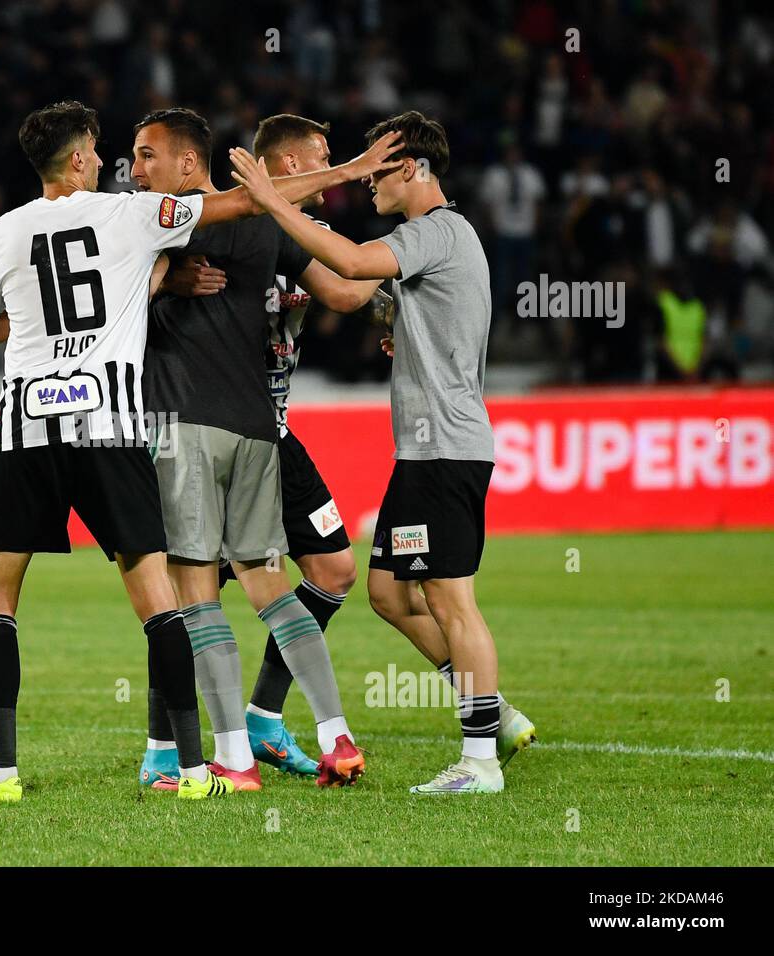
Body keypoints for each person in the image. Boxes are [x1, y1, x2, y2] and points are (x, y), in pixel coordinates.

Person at [0, 100, 383, 803]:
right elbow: (241, 205)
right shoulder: (129, 217)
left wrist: (60, 314)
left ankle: (2, 774)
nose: (127, 165)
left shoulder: (4, 230)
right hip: (117, 427)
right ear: (82, 158)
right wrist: (354, 172)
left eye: (145, 154)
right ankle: (203, 764)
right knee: (164, 603)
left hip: (28, 429)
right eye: (110, 151)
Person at [229, 110, 537, 794]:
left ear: (407, 168)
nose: (365, 183)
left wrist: (273, 199)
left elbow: (352, 265)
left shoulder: (435, 231)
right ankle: (495, 714)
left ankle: (482, 758)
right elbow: (370, 296)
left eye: (374, 170)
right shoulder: (432, 241)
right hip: (423, 452)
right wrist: (405, 325)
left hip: (444, 448)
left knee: (453, 600)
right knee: (388, 594)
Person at [133, 108, 399, 791]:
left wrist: (406, 256)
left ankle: (235, 752)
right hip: (255, 426)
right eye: (322, 155)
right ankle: (317, 733)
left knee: (192, 594)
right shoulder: (226, 219)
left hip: (204, 425)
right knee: (261, 586)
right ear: (280, 167)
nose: (135, 171)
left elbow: (346, 289)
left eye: (144, 156)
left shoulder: (264, 228)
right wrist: (168, 279)